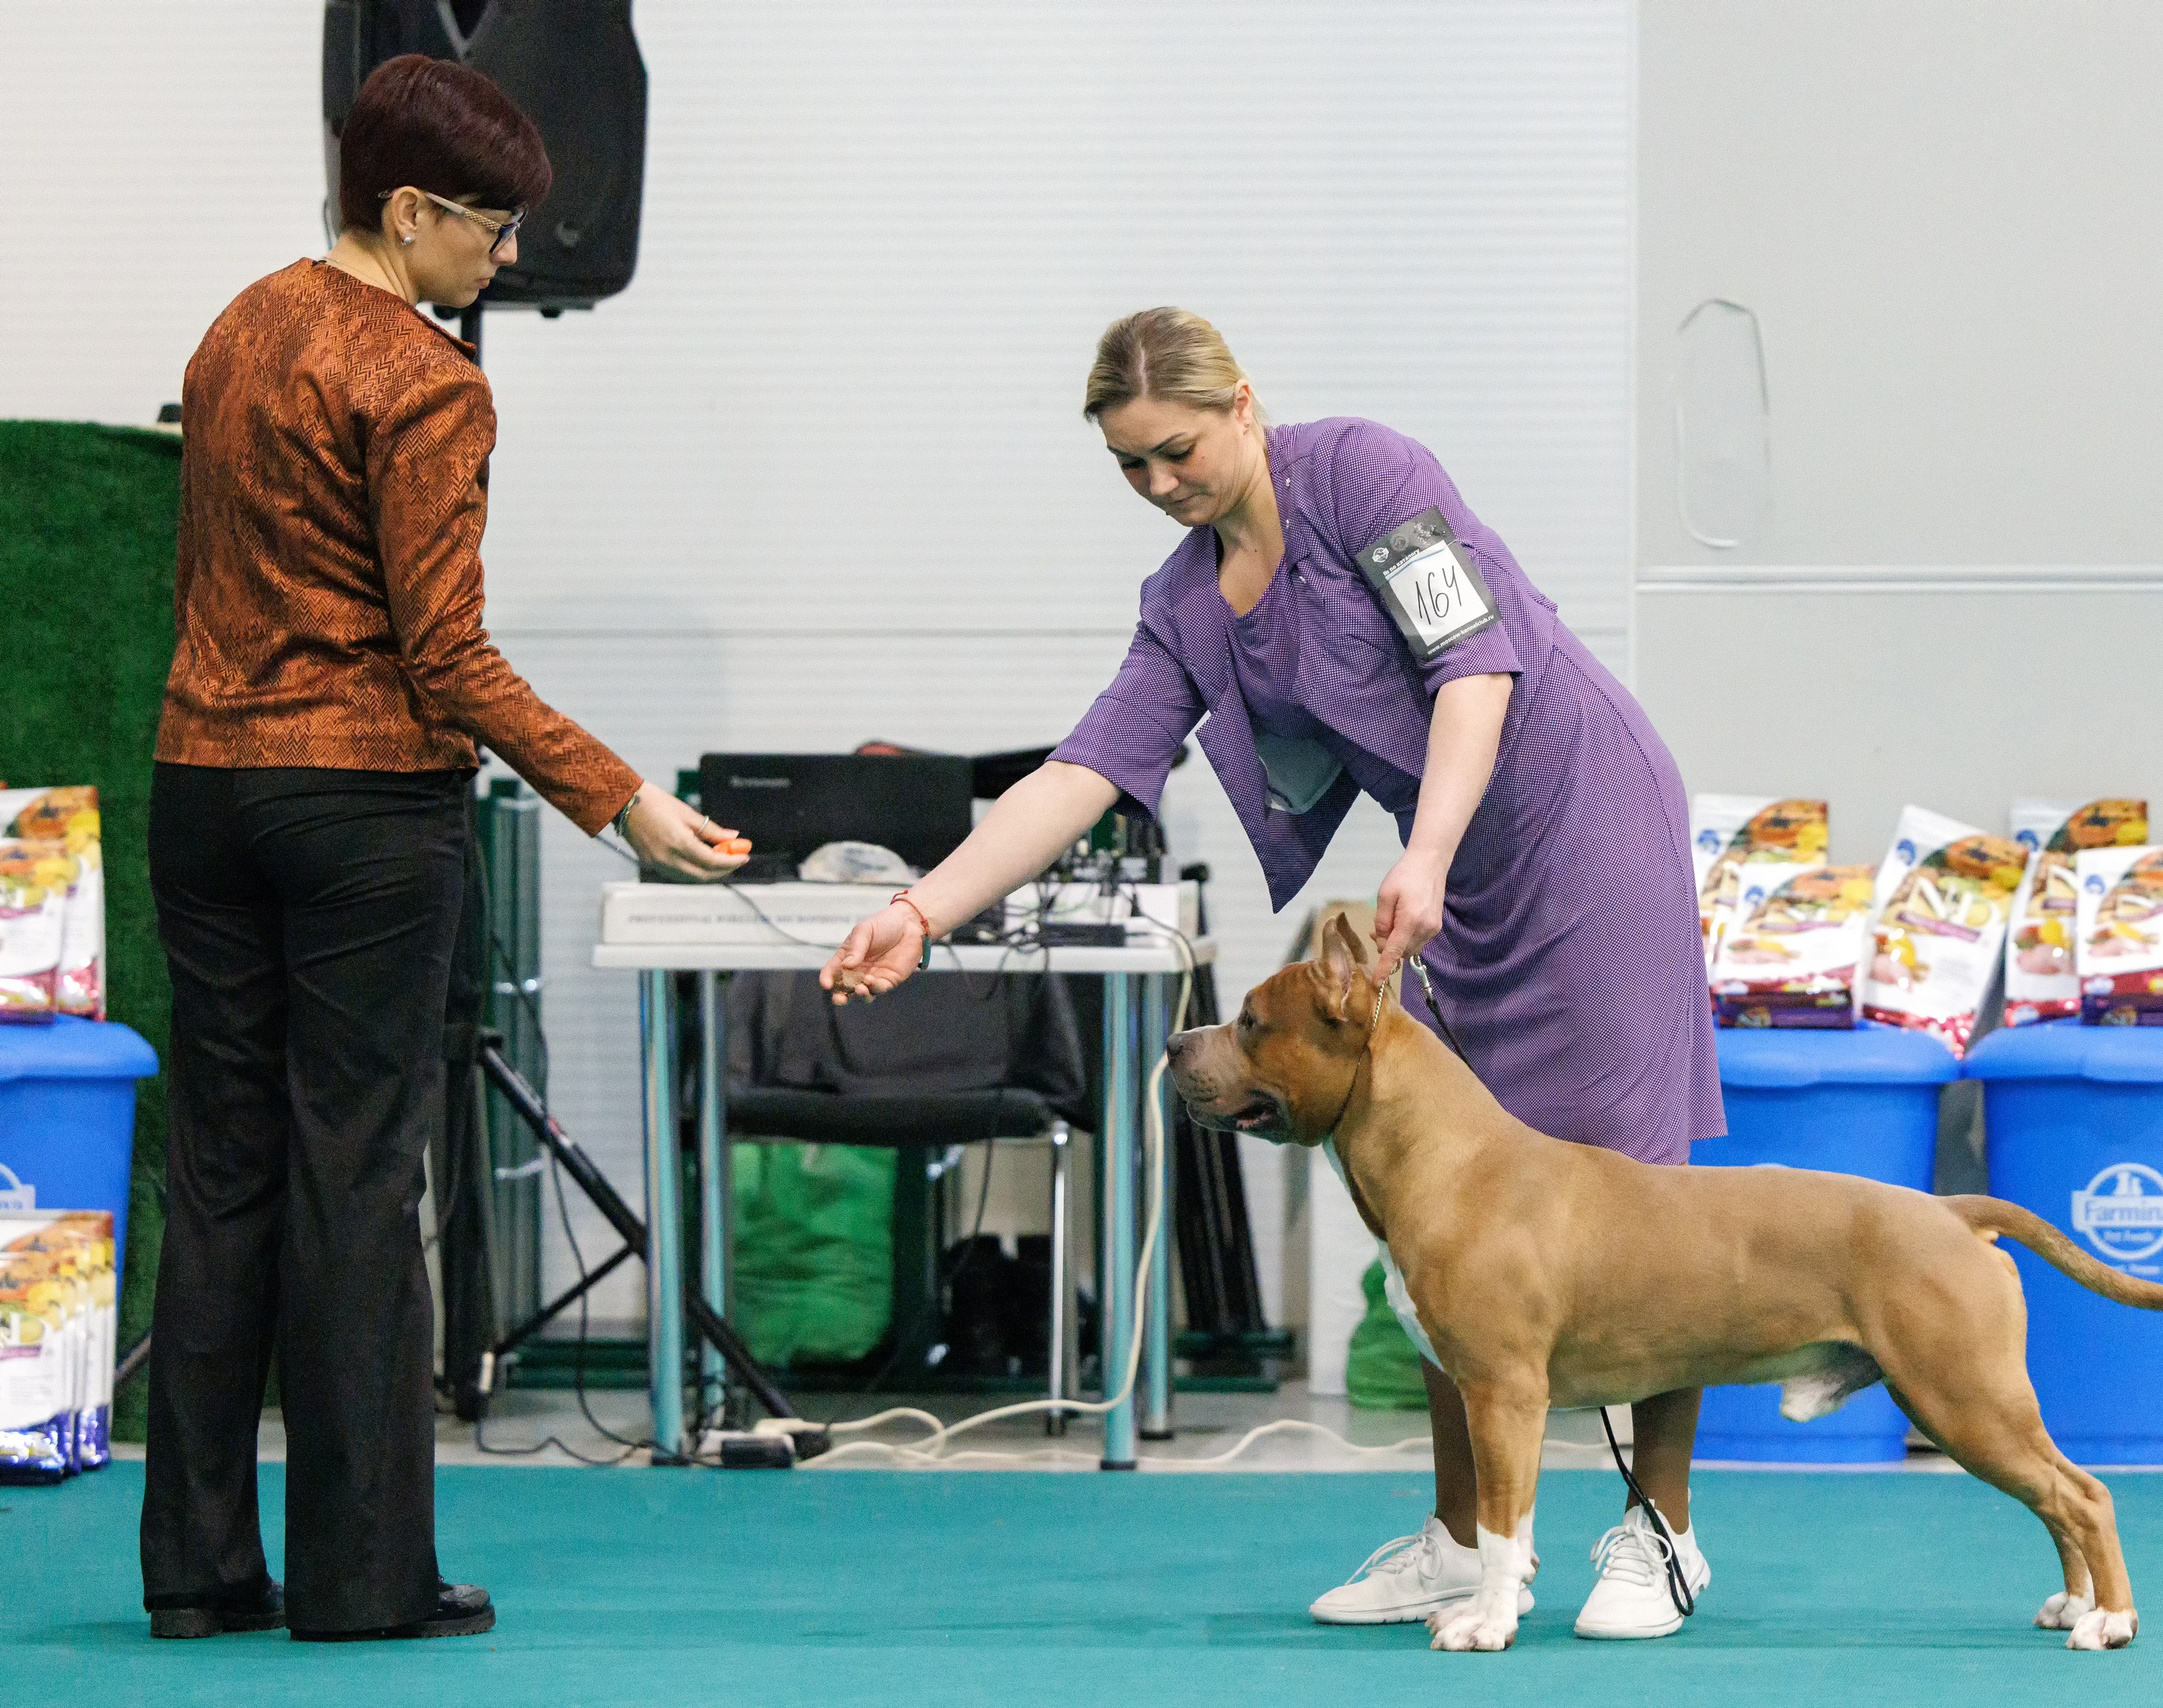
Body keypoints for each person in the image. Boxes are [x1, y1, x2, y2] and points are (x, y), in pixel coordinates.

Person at [819, 307, 1725, 1639]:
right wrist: (922, 909)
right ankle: (1461, 1540)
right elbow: (1086, 768)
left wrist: (1424, 849)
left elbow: (1476, 669)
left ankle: (1661, 1532)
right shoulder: (1186, 602)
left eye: (1176, 451)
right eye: (1130, 466)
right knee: (1444, 1207)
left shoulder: (1363, 476)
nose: (1159, 484)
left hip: (1583, 823)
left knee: (1634, 1195)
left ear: (1242, 404)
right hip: (1453, 870)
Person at [142, 56, 743, 1643]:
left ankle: (196, 1570)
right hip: (359, 809)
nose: (510, 255)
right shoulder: (428, 378)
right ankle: (364, 1579)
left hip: (201, 787)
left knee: (221, 1173)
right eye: (491, 224)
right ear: (408, 212)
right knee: (355, 1177)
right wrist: (621, 799)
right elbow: (448, 656)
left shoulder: (235, 327)